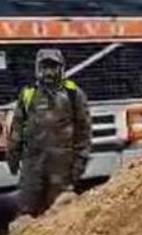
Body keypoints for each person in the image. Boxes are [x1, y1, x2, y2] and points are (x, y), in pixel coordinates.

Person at [8, 49, 91, 216]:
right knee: (26, 212)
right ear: (37, 69)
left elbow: (84, 133)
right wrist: (13, 158)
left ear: (61, 69)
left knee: (60, 214)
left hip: (61, 168)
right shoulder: (28, 94)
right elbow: (17, 129)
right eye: (44, 67)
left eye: (53, 67)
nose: (49, 73)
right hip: (33, 167)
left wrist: (79, 165)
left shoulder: (73, 94)